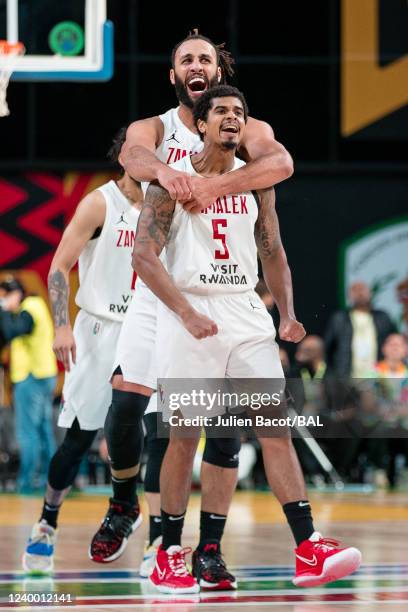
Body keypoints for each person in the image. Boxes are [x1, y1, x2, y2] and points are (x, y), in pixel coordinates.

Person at [133, 85, 362, 594]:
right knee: (184, 436)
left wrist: (288, 313)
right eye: (221, 112)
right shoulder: (170, 181)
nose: (232, 118)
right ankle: (171, 550)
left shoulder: (255, 183)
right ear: (201, 123)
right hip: (189, 311)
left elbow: (273, 250)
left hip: (243, 310)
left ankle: (308, 546)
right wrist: (187, 313)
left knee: (274, 425)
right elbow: (144, 259)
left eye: (239, 112)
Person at [89, 30, 293, 591]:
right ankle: (125, 502)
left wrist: (215, 184)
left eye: (205, 57)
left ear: (218, 65)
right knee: (128, 411)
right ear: (174, 74)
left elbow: (279, 164)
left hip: (216, 296)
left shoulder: (242, 123)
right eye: (186, 59)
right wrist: (169, 172)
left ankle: (204, 550)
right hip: (157, 292)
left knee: (220, 429)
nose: (196, 64)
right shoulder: (156, 127)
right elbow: (133, 155)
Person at [21, 128, 144, 573]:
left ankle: (151, 533)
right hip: (98, 327)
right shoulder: (100, 202)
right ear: (125, 156)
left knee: (148, 429)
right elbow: (58, 266)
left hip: (145, 328)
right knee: (78, 437)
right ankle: (46, 524)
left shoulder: (168, 204)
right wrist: (61, 325)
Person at [0, 277, 57, 495]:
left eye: (6, 296)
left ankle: (27, 480)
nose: (4, 301)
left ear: (17, 294)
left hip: (31, 379)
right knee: (43, 431)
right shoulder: (36, 306)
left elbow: (15, 330)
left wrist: (4, 310)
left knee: (28, 432)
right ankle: (47, 479)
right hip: (43, 376)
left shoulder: (30, 308)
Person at [325, 281, 396, 377]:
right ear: (349, 296)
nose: (360, 293)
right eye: (355, 290)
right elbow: (328, 348)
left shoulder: (383, 317)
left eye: (362, 289)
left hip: (378, 377)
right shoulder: (339, 318)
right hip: (347, 378)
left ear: (370, 293)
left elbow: (394, 342)